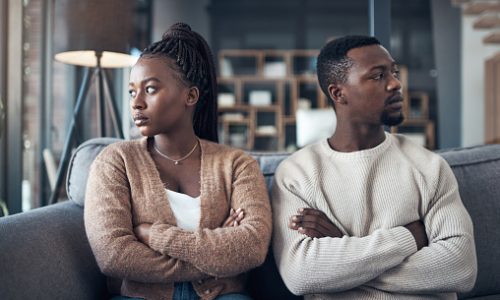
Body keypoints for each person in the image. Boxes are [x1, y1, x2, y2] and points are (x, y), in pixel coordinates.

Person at [271, 35, 477, 299]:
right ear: (338, 93)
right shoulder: (296, 174)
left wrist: (343, 254)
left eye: (394, 72)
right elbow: (302, 275)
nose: (395, 84)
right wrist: (409, 238)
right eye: (378, 76)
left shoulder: (430, 167)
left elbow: (460, 268)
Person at [84, 23, 272, 300]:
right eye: (131, 91)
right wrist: (214, 257)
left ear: (190, 96)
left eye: (150, 89)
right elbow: (114, 256)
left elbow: (252, 247)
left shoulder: (237, 164)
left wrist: (153, 236)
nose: (136, 103)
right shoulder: (116, 161)